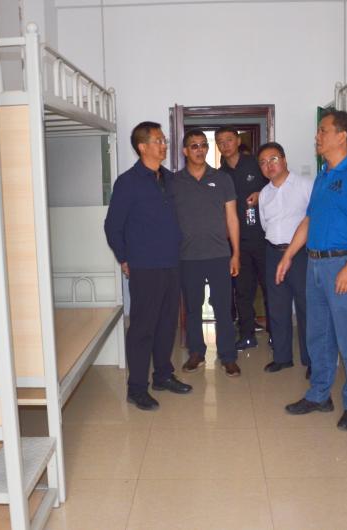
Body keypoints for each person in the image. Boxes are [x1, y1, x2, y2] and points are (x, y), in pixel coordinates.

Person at [278, 109, 347, 430]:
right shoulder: (323, 176)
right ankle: (319, 394)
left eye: (323, 130)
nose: (317, 136)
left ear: (341, 136)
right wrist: (288, 255)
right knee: (318, 335)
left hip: (342, 263)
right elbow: (309, 220)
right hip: (315, 265)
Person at [104, 121, 192, 411]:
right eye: (158, 141)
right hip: (144, 266)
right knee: (143, 328)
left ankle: (163, 376)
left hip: (171, 263)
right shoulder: (128, 182)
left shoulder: (169, 179)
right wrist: (124, 258)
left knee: (167, 324)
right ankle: (137, 388)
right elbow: (113, 226)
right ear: (142, 147)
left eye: (164, 140)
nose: (164, 145)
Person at [170, 129, 242, 377]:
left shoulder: (222, 179)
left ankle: (228, 356)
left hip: (219, 254)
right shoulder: (174, 182)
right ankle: (196, 353)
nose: (200, 150)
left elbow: (232, 218)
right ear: (185, 151)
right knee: (192, 309)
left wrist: (236, 253)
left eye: (203, 145)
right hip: (187, 256)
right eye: (194, 146)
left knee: (223, 307)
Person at [257, 142, 312, 377]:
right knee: (277, 307)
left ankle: (311, 360)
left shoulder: (305, 185)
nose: (268, 165)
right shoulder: (264, 194)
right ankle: (282, 357)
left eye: (273, 159)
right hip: (272, 252)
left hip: (300, 254)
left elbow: (313, 220)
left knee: (306, 307)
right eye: (263, 163)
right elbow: (264, 225)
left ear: (284, 160)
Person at [215, 127, 270, 351]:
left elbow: (276, 186)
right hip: (237, 243)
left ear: (238, 141)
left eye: (229, 140)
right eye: (220, 142)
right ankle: (247, 334)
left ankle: (275, 333)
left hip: (263, 238)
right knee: (242, 291)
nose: (225, 145)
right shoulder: (219, 175)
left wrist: (261, 194)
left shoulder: (256, 164)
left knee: (270, 288)